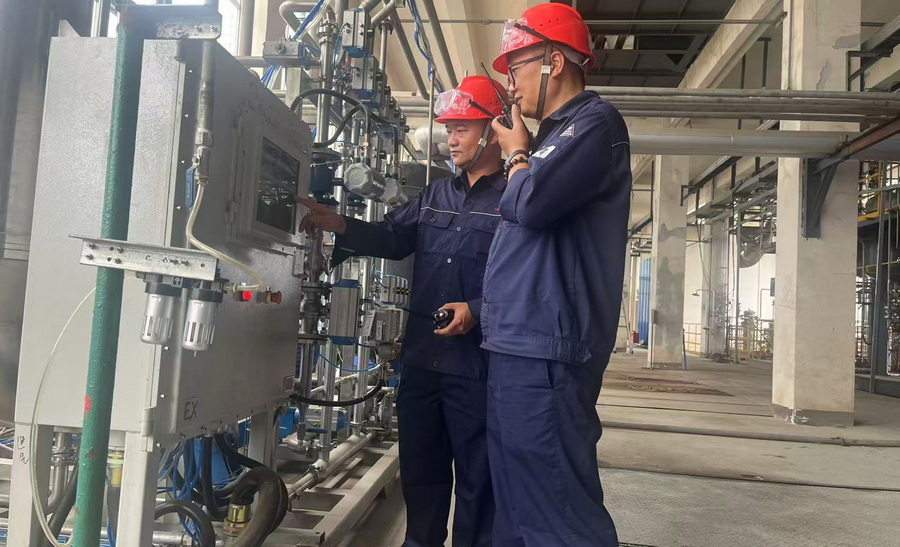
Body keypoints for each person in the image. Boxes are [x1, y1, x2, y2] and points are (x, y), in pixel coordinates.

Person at [443, 4, 632, 546]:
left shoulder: (594, 125)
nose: (511, 83)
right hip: (514, 344)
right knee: (515, 504)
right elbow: (530, 250)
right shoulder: (551, 138)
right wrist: (484, 312)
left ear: (554, 62)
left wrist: (518, 156)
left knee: (556, 509)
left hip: (548, 349)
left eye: (517, 67)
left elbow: (531, 206)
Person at [298, 75, 508, 547]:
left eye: (462, 128)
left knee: (480, 485)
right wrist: (340, 224)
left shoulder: (514, 201)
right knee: (421, 479)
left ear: (494, 131)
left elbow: (526, 280)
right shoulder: (435, 196)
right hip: (423, 364)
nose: (451, 139)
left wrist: (477, 310)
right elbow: (393, 238)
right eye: (448, 129)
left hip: (479, 368)